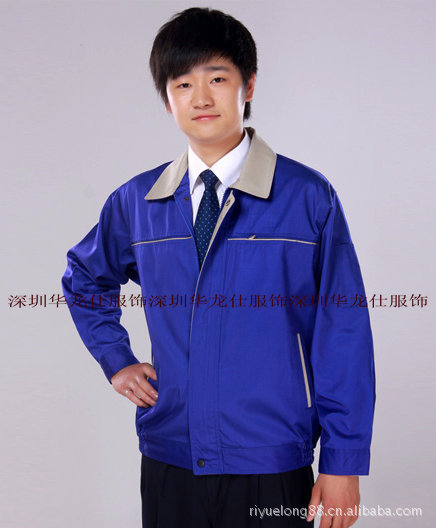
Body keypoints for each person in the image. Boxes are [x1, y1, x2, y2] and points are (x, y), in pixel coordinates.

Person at [61, 7, 376, 528]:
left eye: (217, 79)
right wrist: (116, 359)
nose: (201, 98)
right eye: (183, 84)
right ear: (167, 99)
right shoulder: (137, 202)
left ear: (248, 85)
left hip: (272, 457)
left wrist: (343, 461)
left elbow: (343, 330)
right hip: (171, 455)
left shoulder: (306, 198)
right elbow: (85, 278)